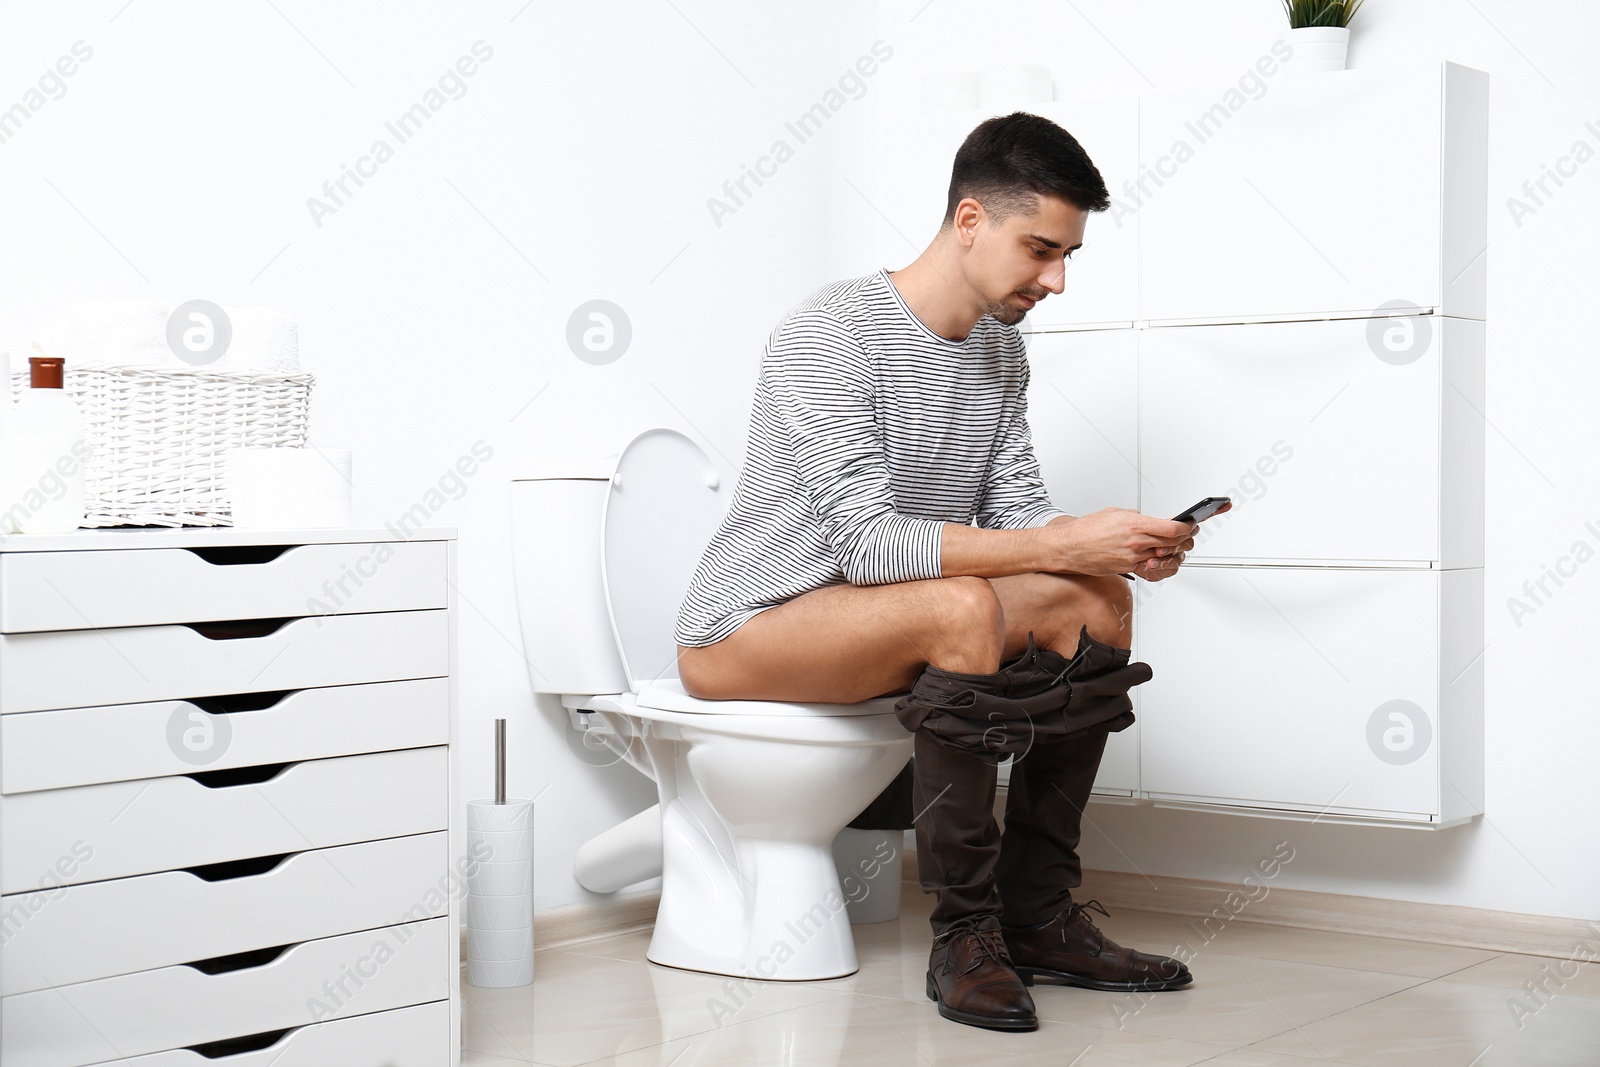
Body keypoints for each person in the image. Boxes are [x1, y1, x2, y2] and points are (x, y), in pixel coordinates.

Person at [674, 111, 1219, 1032]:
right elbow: (868, 549)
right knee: (962, 606)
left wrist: (1107, 550)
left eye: (1068, 255)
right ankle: (964, 937)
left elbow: (1015, 520)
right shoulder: (828, 331)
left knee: (1093, 599)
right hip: (748, 622)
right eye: (1039, 248)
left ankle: (1038, 913)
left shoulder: (1002, 352)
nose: (1054, 279)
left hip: (881, 614)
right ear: (970, 220)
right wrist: (1062, 541)